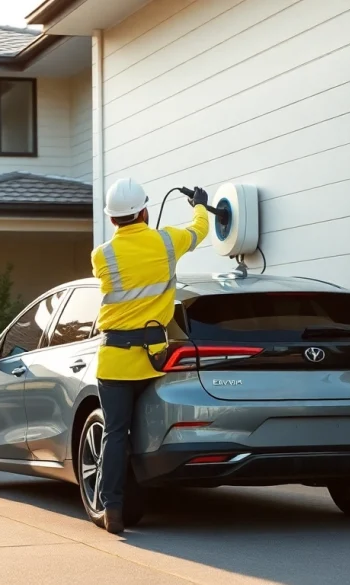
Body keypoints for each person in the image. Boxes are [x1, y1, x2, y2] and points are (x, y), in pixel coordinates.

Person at [89, 178, 210, 534]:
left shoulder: (102, 256)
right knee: (149, 430)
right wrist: (200, 204)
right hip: (154, 358)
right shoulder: (167, 241)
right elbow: (199, 229)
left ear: (112, 220)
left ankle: (113, 509)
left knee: (115, 433)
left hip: (114, 358)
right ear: (145, 210)